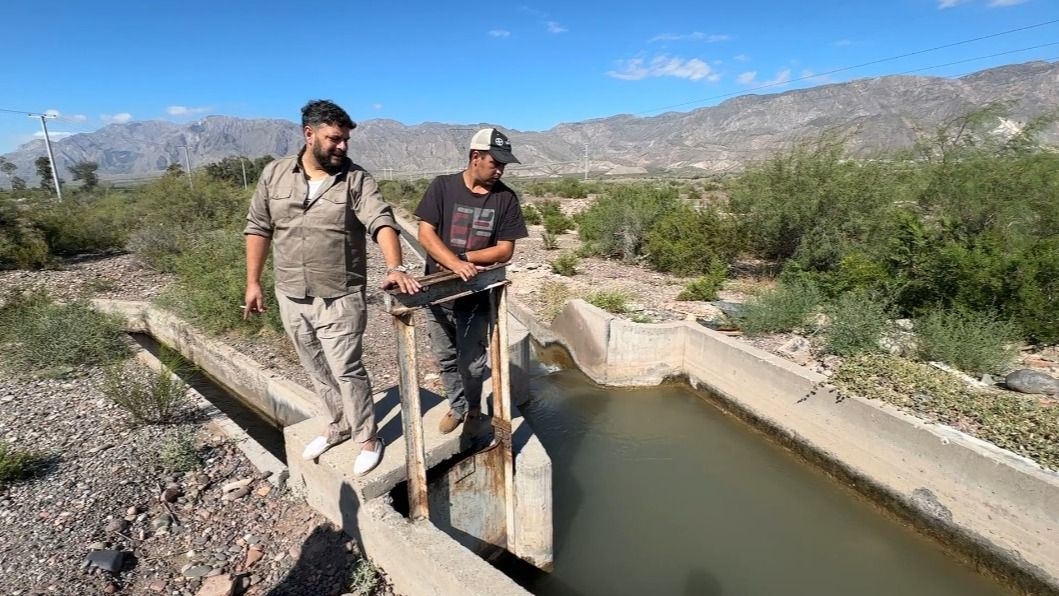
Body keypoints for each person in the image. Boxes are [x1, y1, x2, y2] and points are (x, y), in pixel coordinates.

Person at [243, 99, 420, 476]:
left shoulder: (356, 179)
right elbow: (259, 227)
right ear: (309, 135)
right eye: (334, 139)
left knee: (346, 369)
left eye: (345, 140)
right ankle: (337, 425)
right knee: (315, 367)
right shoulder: (274, 175)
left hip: (339, 296)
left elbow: (381, 221)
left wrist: (395, 265)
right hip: (290, 293)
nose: (342, 147)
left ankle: (369, 438)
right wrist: (253, 282)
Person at [414, 127, 528, 434]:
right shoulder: (443, 187)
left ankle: (475, 409)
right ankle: (457, 406)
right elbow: (425, 232)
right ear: (475, 157)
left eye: (504, 164)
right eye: (495, 163)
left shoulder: (505, 198)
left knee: (474, 362)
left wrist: (464, 259)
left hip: (476, 295)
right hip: (437, 292)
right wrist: (451, 263)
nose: (500, 170)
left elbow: (504, 250)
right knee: (445, 356)